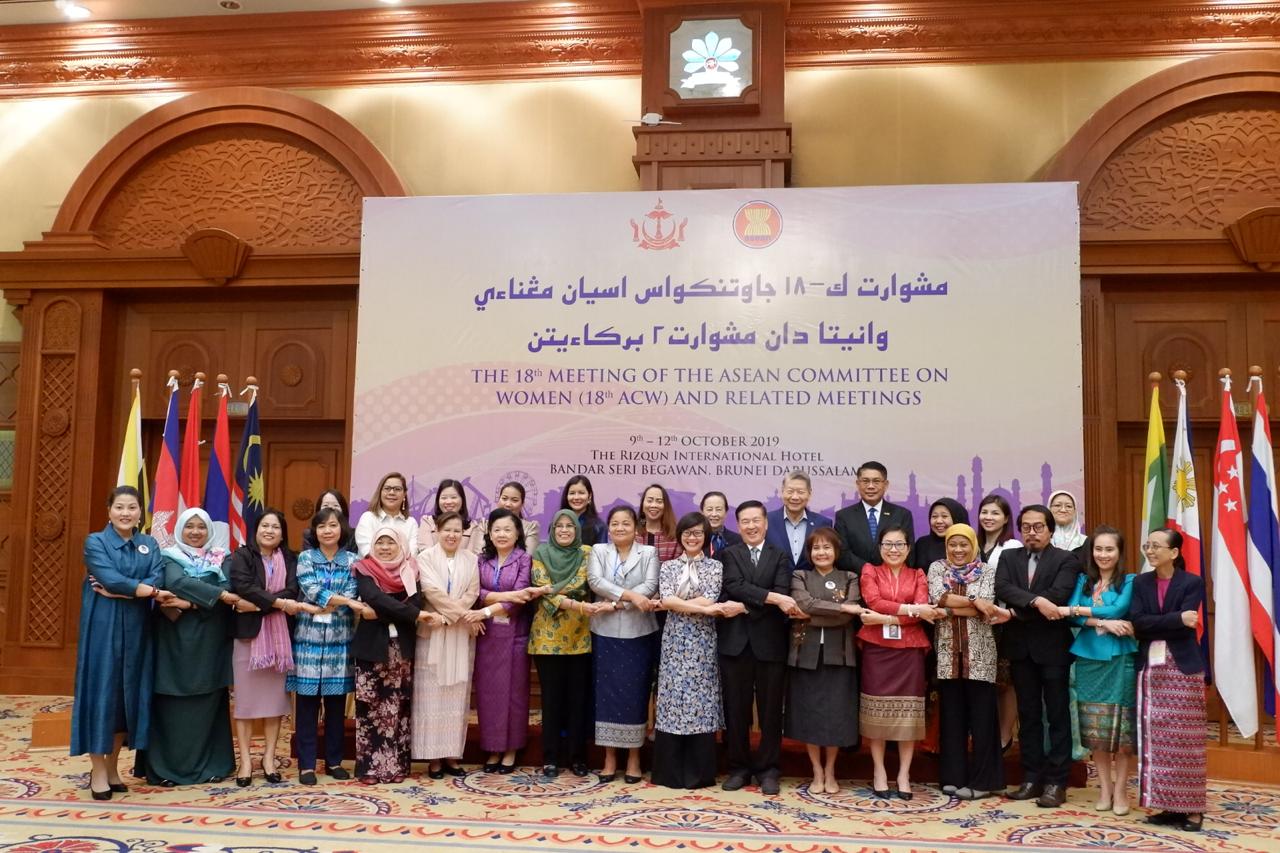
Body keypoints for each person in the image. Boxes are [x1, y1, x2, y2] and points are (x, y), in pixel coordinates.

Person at [72, 486, 166, 800]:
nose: (126, 513)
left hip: (138, 629)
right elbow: (109, 579)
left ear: (140, 512)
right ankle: (98, 770)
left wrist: (126, 591)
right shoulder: (95, 542)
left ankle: (113, 767)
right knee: (102, 695)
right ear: (109, 510)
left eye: (132, 507)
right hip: (103, 628)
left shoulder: (149, 543)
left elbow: (157, 578)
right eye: (120, 507)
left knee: (127, 698)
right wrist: (138, 590)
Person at [143, 507, 241, 787]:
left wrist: (189, 602)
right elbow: (175, 582)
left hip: (211, 644)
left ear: (209, 530)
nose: (195, 532)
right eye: (189, 526)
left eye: (201, 527)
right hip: (174, 645)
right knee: (172, 707)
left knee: (209, 705)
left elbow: (229, 589)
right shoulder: (167, 557)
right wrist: (218, 595)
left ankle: (212, 766)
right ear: (180, 530)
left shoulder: (223, 557)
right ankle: (167, 770)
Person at [994, 504, 1082, 808]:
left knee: (1056, 715)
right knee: (1028, 715)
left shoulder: (1066, 559)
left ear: (1050, 530)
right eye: (1026, 527)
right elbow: (1003, 588)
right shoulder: (1009, 557)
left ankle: (1057, 782)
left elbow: (1058, 596)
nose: (1032, 532)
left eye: (1038, 527)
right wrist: (1036, 603)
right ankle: (1031, 778)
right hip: (1020, 649)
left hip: (1053, 648)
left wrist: (1017, 612)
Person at [718, 500, 804, 794]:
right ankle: (738, 768)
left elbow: (782, 593)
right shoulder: (729, 554)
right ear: (738, 525)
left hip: (770, 643)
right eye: (745, 521)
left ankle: (769, 769)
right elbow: (733, 585)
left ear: (766, 524)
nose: (751, 526)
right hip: (735, 644)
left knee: (770, 711)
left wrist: (744, 606)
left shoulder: (779, 556)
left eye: (756, 520)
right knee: (736, 710)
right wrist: (771, 599)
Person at [653, 512, 744, 789]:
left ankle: (698, 773)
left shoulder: (715, 566)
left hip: (703, 641)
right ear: (680, 536)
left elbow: (710, 597)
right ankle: (670, 773)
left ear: (705, 537)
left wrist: (682, 603)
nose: (692, 538)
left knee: (701, 700)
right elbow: (667, 600)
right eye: (687, 533)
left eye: (698, 533)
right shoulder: (668, 567)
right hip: (674, 640)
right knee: (672, 698)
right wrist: (701, 608)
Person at [228, 508, 313, 786]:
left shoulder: (291, 559)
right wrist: (278, 603)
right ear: (256, 529)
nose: (269, 531)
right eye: (265, 525)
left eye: (275, 527)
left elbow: (293, 590)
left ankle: (268, 758)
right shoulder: (242, 556)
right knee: (245, 703)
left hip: (279, 641)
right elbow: (244, 587)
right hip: (248, 638)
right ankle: (245, 761)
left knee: (274, 702)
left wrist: (258, 605)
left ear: (282, 533)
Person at [1132, 528, 1206, 833]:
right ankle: (1167, 805)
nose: (1149, 551)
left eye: (1156, 546)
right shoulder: (1140, 582)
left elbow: (1188, 627)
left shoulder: (1192, 582)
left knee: (1186, 741)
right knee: (1157, 741)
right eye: (1147, 546)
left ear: (1174, 552)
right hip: (1150, 671)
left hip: (1183, 668)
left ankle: (1193, 809)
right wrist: (1176, 619)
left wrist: (1164, 624)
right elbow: (1139, 624)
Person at [1060, 525, 1137, 815]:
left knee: (1123, 733)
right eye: (1098, 549)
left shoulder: (1129, 580)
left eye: (1109, 549)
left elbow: (1118, 610)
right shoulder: (1083, 580)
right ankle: (1105, 789)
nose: (1103, 554)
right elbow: (1070, 616)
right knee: (1096, 730)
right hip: (1088, 660)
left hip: (1120, 660)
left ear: (1119, 552)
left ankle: (1122, 790)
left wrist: (1079, 612)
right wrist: (1101, 622)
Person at [352, 526, 438, 784]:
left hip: (402, 648)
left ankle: (396, 766)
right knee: (370, 707)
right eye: (380, 542)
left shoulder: (411, 570)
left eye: (391, 542)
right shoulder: (364, 569)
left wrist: (382, 612)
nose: (385, 547)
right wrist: (410, 614)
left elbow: (414, 603)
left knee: (398, 707)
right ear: (373, 546)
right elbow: (374, 597)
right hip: (371, 648)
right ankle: (369, 768)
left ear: (401, 545)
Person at [858, 523, 937, 799]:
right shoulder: (870, 571)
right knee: (876, 713)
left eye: (900, 544)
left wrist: (885, 618)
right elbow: (874, 602)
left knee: (907, 715)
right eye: (888, 544)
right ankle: (879, 771)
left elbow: (924, 610)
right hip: (877, 650)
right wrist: (911, 610)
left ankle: (904, 774)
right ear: (880, 548)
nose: (894, 549)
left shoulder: (918, 575)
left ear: (908, 548)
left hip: (910, 650)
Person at [930, 523, 1008, 800]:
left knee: (983, 719)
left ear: (973, 545)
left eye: (964, 544)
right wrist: (973, 603)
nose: (958, 549)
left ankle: (985, 781)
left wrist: (953, 607)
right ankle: (954, 777)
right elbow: (937, 598)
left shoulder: (986, 570)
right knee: (952, 718)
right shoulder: (937, 567)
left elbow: (987, 605)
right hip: (948, 654)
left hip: (980, 655)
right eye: (953, 544)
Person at [290, 506, 365, 785]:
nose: (327, 530)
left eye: (333, 525)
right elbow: (311, 590)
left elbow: (353, 591)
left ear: (341, 529)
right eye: (321, 526)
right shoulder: (306, 558)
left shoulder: (353, 561)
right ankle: (307, 765)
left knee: (335, 707)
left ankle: (334, 761)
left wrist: (332, 603)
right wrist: (343, 602)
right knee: (307, 707)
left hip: (339, 640)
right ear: (315, 531)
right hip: (308, 641)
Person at [786, 527, 862, 794]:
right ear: (809, 553)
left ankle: (830, 770)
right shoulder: (800, 575)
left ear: (836, 551)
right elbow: (803, 603)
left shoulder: (850, 577)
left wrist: (812, 614)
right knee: (810, 714)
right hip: (805, 654)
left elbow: (848, 617)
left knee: (836, 715)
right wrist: (840, 608)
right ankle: (816, 771)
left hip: (839, 654)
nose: (821, 552)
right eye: (816, 548)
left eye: (827, 547)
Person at [587, 504, 660, 781]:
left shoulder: (649, 552)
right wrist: (630, 597)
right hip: (604, 632)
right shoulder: (599, 551)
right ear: (609, 527)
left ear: (636, 527)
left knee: (635, 695)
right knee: (605, 695)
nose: (620, 528)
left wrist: (617, 602)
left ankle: (633, 757)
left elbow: (650, 586)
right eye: (615, 523)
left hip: (639, 634)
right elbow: (595, 581)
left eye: (626, 523)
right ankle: (609, 757)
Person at [413, 510, 484, 778]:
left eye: (457, 530)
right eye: (447, 530)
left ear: (463, 533)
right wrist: (459, 616)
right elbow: (432, 593)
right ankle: (433, 757)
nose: (452, 535)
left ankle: (452, 756)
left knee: (457, 694)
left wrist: (454, 616)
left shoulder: (471, 559)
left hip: (459, 636)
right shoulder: (425, 558)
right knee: (431, 697)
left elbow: (473, 592)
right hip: (432, 633)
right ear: (438, 531)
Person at [529, 510, 599, 776]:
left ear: (577, 530)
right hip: (546, 638)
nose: (565, 530)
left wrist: (553, 592)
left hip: (580, 635)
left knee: (577, 701)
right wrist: (574, 602)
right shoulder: (540, 553)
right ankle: (550, 758)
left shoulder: (587, 553)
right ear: (552, 529)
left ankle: (577, 758)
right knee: (551, 700)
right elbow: (542, 589)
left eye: (570, 526)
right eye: (559, 526)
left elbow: (584, 582)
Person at [474, 508, 540, 772]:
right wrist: (500, 598)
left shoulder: (524, 559)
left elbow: (521, 596)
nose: (502, 534)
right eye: (497, 529)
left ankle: (511, 749)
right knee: (489, 693)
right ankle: (493, 749)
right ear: (489, 534)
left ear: (517, 533)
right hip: (486, 635)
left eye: (507, 529)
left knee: (514, 693)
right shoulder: (481, 560)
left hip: (515, 634)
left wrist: (487, 608)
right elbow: (475, 591)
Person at [976, 493, 1020, 753]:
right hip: (976, 623)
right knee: (984, 683)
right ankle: (986, 735)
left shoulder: (1012, 546)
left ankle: (1004, 736)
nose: (988, 517)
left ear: (1006, 519)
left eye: (995, 513)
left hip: (1003, 621)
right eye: (985, 512)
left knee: (1006, 682)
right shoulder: (972, 544)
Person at [834, 461, 916, 573]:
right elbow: (843, 553)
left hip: (892, 578)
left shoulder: (902, 515)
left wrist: (884, 573)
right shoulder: (844, 516)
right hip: (855, 579)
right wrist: (869, 570)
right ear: (858, 484)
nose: (871, 486)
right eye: (865, 481)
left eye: (876, 481)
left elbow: (908, 552)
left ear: (886, 484)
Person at [765, 470, 834, 572]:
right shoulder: (766, 521)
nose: (795, 497)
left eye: (800, 492)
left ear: (809, 494)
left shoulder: (823, 523)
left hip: (810, 581)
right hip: (775, 581)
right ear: (782, 492)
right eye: (790, 491)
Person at [354, 472, 419, 557]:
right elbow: (367, 551)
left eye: (397, 489)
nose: (392, 492)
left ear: (404, 494)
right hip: (371, 565)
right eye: (387, 488)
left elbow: (411, 555)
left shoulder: (411, 523)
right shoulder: (368, 518)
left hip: (405, 566)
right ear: (380, 492)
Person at [416, 478, 484, 554]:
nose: (448, 502)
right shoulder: (428, 522)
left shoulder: (473, 527)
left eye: (453, 497)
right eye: (444, 498)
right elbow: (426, 553)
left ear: (462, 500)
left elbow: (473, 556)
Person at [479, 481, 540, 552]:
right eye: (504, 499)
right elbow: (477, 555)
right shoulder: (484, 525)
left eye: (514, 500)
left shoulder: (530, 528)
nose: (508, 504)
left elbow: (529, 556)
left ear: (522, 503)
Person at [911, 498, 969, 571]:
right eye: (934, 516)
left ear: (956, 519)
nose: (938, 521)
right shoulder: (922, 544)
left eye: (944, 516)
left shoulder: (970, 544)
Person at [559, 474, 606, 546]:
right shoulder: (556, 523)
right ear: (566, 496)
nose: (576, 497)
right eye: (572, 493)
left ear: (589, 496)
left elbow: (601, 552)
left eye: (581, 493)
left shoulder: (599, 526)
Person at [640, 483, 679, 563]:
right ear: (642, 505)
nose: (654, 505)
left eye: (659, 501)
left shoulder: (675, 536)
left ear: (665, 506)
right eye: (649, 501)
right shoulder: (632, 533)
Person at [701, 491, 742, 559]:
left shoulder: (738, 540)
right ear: (702, 512)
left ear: (726, 512)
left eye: (718, 509)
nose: (714, 514)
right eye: (709, 509)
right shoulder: (695, 539)